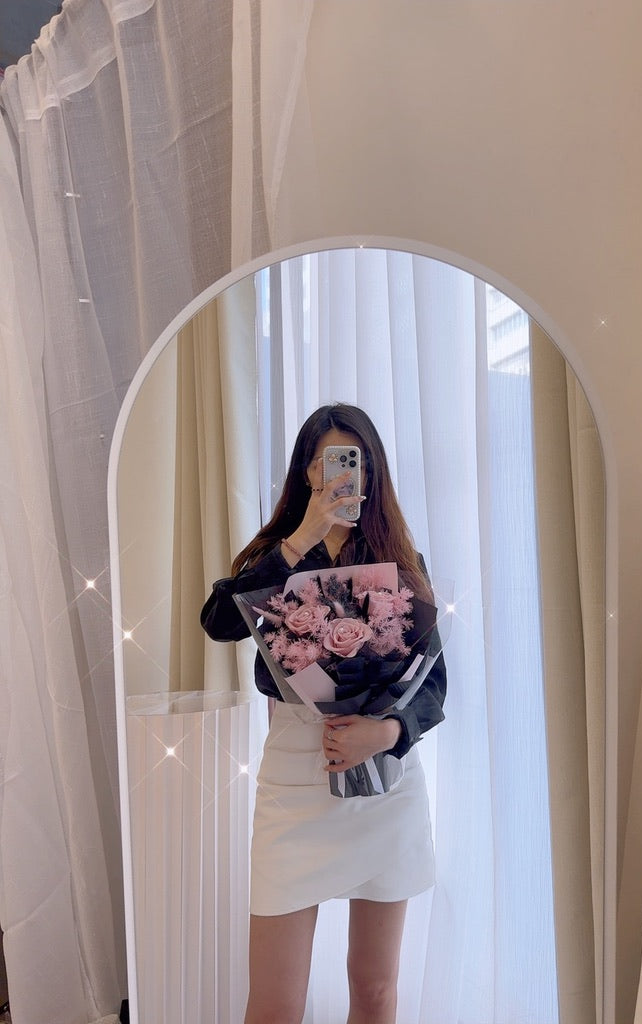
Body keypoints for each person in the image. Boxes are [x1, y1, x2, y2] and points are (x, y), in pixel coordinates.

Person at [200, 403, 447, 1024]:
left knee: (376, 989)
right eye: (324, 461)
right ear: (306, 471)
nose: (338, 475)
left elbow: (433, 681)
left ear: (371, 470)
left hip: (384, 779)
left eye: (350, 461)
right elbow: (220, 623)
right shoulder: (277, 553)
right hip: (295, 778)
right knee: (275, 1004)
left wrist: (385, 732)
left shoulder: (402, 560)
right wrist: (299, 541)